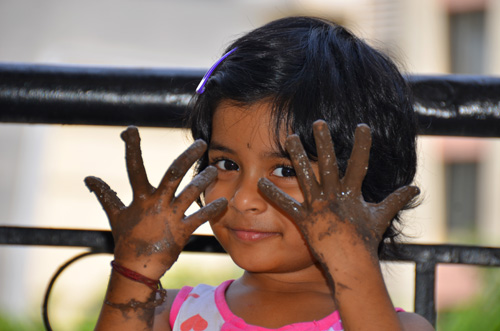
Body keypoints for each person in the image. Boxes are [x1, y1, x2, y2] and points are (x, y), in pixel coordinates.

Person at [86, 16, 434, 330]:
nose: (244, 199)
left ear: (367, 188)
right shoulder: (167, 315)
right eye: (227, 165)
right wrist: (134, 272)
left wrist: (354, 269)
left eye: (285, 170)